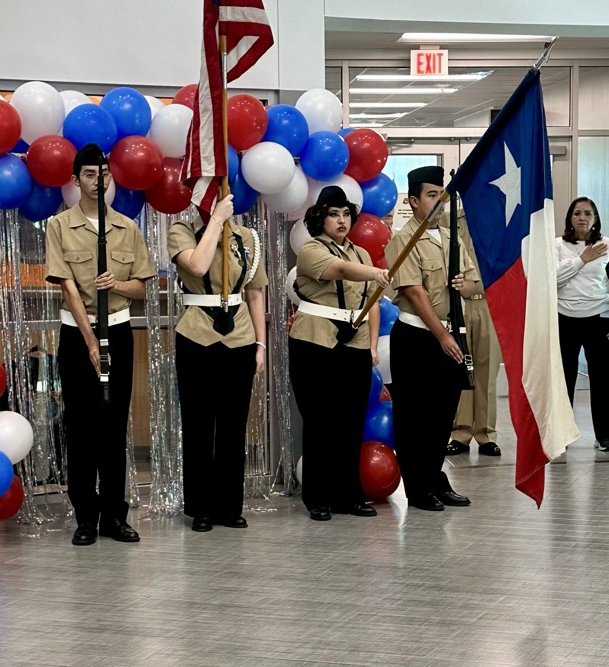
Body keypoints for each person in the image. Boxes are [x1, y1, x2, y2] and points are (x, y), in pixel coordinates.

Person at [46, 143, 156, 546]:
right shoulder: (59, 226)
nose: (98, 181)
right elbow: (67, 289)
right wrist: (91, 341)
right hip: (78, 335)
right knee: (81, 427)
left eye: (103, 174)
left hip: (120, 330)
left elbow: (142, 288)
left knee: (113, 426)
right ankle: (85, 517)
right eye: (90, 174)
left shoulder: (127, 227)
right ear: (76, 180)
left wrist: (119, 284)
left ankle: (114, 515)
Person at [289, 186, 390, 521]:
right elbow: (341, 271)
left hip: (355, 342)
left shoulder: (361, 253)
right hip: (315, 341)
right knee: (320, 422)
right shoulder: (311, 250)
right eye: (334, 213)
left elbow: (371, 302)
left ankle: (348, 494)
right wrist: (376, 272)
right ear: (321, 217)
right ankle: (318, 497)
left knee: (350, 422)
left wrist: (373, 345)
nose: (342, 220)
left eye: (346, 214)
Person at [168, 192, 267, 533]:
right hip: (196, 334)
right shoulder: (181, 230)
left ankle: (228, 506)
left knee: (232, 426)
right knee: (198, 425)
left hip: (239, 336)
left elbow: (255, 292)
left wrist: (260, 343)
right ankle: (200, 507)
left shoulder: (248, 239)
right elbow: (196, 265)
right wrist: (215, 223)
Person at [385, 166, 478, 511]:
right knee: (415, 417)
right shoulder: (404, 239)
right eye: (430, 195)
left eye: (442, 195)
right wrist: (442, 336)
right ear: (413, 200)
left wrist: (465, 287)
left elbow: (473, 283)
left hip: (449, 336)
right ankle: (418, 488)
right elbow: (414, 291)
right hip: (419, 338)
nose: (438, 202)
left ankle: (435, 478)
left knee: (442, 416)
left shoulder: (452, 239)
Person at [443, 208, 502, 458]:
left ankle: (486, 434)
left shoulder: (499, 216)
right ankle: (461, 433)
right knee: (462, 368)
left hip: (490, 304)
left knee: (487, 371)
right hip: (457, 305)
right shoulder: (448, 219)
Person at [555, 197, 609, 450]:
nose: (582, 218)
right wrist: (581, 259)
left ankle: (604, 435)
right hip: (564, 317)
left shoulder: (606, 245)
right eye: (576, 213)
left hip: (598, 318)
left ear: (595, 218)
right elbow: (552, 279)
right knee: (564, 378)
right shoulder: (557, 245)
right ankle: (562, 435)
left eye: (588, 213)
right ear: (569, 218)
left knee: (602, 379)